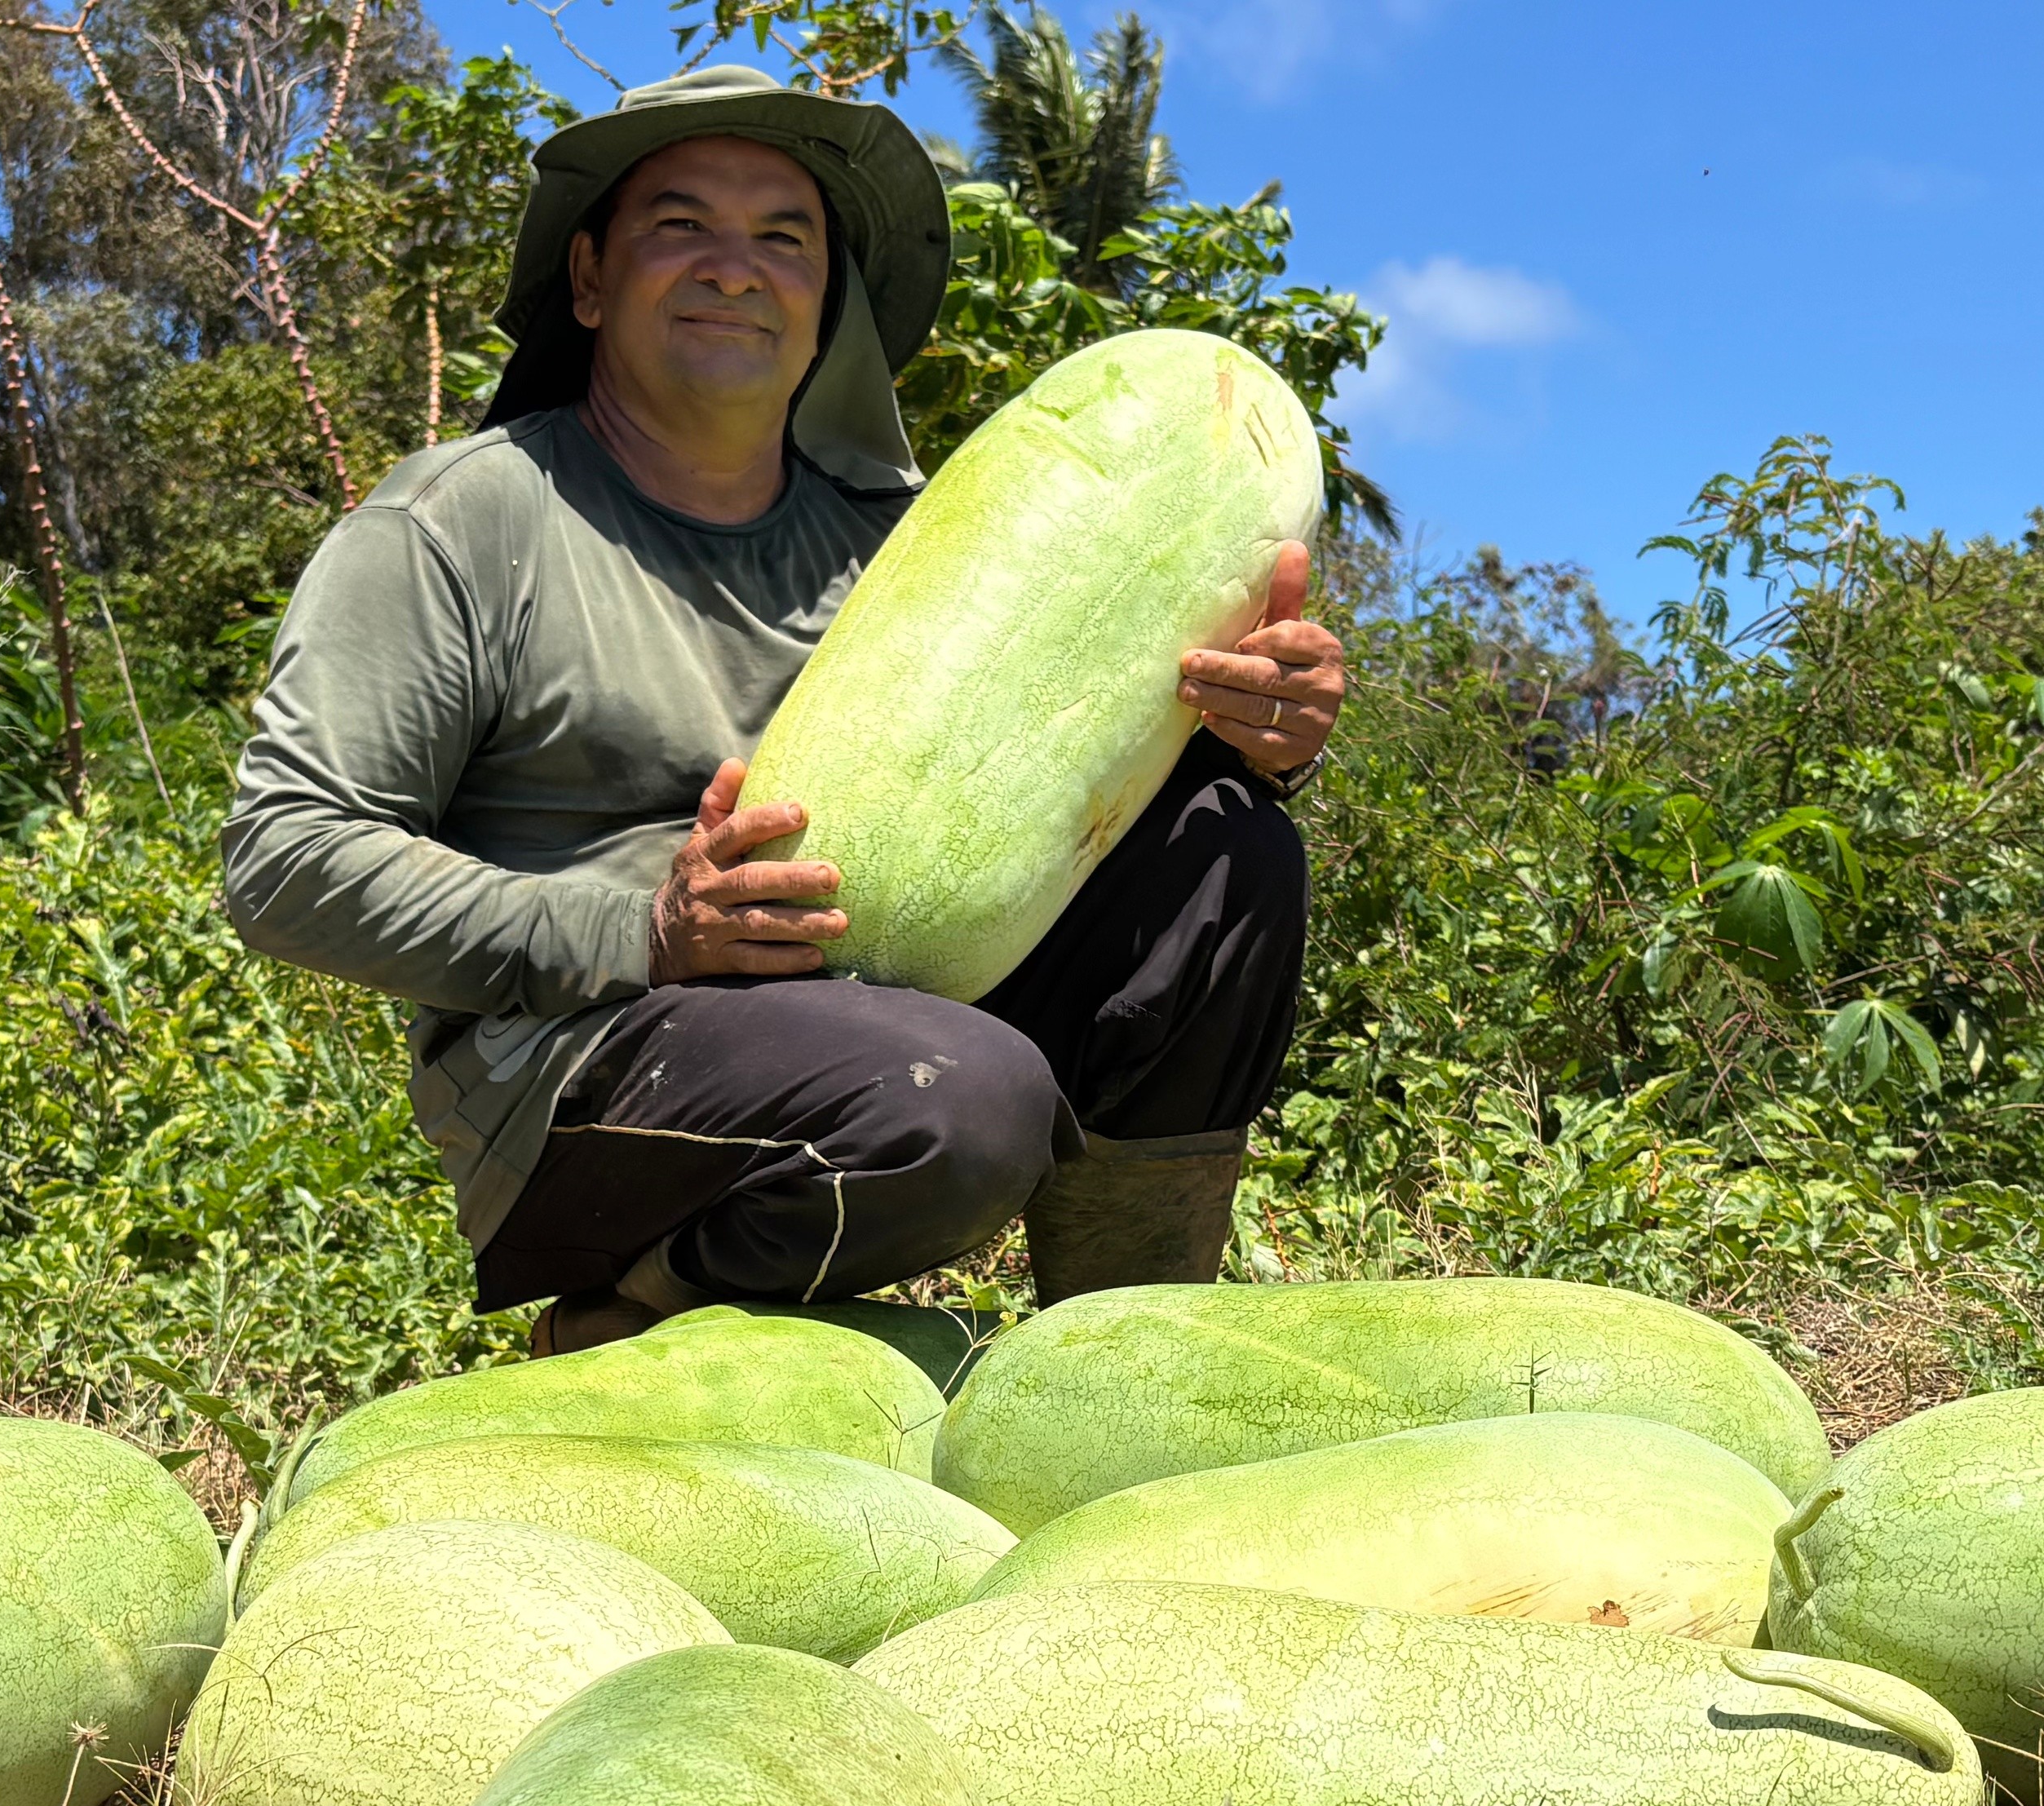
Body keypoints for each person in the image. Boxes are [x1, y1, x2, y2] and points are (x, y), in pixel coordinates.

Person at [220, 62, 1347, 1353]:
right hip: (587, 1063)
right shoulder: (462, 521)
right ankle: (630, 1314)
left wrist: (1251, 732)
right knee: (964, 1097)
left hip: (889, 1002)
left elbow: (1075, 807)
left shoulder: (902, 542)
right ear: (589, 280)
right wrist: (645, 928)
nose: (732, 267)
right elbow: (284, 859)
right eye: (679, 224)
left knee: (1225, 847)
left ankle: (1120, 1360)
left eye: (783, 237)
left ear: (830, 301)